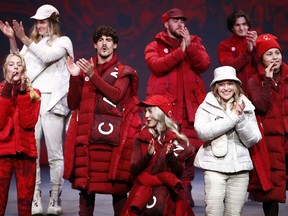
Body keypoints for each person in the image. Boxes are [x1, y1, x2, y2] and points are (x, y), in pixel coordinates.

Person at [0, 4, 74, 215]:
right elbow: (19, 61)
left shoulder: (63, 41)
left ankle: (55, 198)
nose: (39, 25)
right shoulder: (34, 44)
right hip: (33, 99)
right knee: (33, 153)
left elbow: (47, 57)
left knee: (54, 154)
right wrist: (13, 38)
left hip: (53, 102)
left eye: (43, 21)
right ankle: (35, 199)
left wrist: (24, 39)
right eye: (38, 22)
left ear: (53, 22)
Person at [63, 25, 142, 216]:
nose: (104, 43)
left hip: (113, 140)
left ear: (115, 45)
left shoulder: (124, 71)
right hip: (87, 138)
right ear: (95, 45)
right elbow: (73, 103)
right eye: (100, 39)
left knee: (118, 190)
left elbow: (116, 95)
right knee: (86, 190)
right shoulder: (83, 70)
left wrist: (93, 76)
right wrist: (75, 77)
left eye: (108, 39)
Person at [144, 7, 210, 207]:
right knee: (165, 150)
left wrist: (189, 46)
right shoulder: (153, 45)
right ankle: (164, 191)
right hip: (166, 110)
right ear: (166, 24)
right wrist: (181, 51)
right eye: (175, 21)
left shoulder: (194, 43)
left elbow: (204, 64)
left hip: (189, 108)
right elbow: (157, 65)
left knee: (188, 150)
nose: (180, 24)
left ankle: (185, 189)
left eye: (183, 21)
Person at [193, 65, 262, 216]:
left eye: (229, 83)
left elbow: (253, 139)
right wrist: (233, 118)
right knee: (214, 212)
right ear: (215, 87)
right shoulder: (206, 106)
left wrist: (241, 118)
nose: (226, 88)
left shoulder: (246, 106)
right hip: (214, 167)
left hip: (240, 168)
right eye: (221, 84)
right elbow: (202, 132)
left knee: (234, 213)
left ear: (236, 86)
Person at [121, 95, 195, 216]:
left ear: (160, 114)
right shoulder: (139, 138)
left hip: (170, 194)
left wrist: (170, 157)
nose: (146, 116)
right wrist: (148, 156)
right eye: (145, 111)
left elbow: (179, 173)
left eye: (150, 111)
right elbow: (134, 170)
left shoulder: (176, 140)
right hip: (143, 192)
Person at [247, 34, 288, 216]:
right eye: (269, 54)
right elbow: (261, 106)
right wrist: (268, 81)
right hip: (271, 142)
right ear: (262, 59)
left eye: (277, 53)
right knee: (272, 192)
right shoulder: (255, 80)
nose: (275, 57)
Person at [0, 53, 41, 216]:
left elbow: (28, 123)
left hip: (26, 154)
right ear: (5, 69)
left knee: (25, 205)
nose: (15, 68)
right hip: (2, 154)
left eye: (18, 64)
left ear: (23, 69)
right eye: (11, 64)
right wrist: (7, 90)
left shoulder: (34, 94)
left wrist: (23, 94)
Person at [218, 10, 258, 95]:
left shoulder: (257, 42)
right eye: (237, 25)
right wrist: (247, 52)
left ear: (248, 26)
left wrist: (255, 50)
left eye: (244, 24)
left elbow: (263, 67)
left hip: (257, 91)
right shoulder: (225, 45)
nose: (241, 28)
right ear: (232, 27)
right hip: (236, 92)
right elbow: (230, 67)